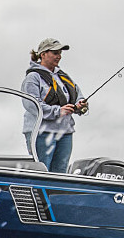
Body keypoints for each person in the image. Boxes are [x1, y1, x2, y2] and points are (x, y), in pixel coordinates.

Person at [22, 38, 88, 172]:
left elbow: (78, 95)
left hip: (65, 133)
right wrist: (58, 111)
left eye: (60, 53)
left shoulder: (63, 77)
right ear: (43, 54)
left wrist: (79, 105)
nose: (59, 56)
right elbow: (32, 105)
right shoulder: (33, 78)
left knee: (60, 174)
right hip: (41, 133)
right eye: (55, 52)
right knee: (42, 172)